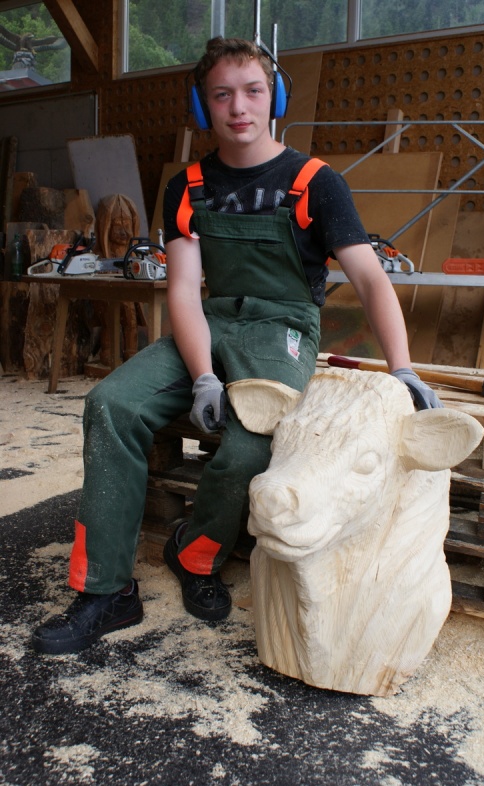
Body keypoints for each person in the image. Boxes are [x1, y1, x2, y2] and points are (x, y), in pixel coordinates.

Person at [32, 37, 441, 656]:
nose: (239, 107)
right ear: (204, 106)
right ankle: (106, 591)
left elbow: (368, 278)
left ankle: (195, 554)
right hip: (212, 319)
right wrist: (203, 376)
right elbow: (184, 291)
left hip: (283, 328)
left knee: (254, 441)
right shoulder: (188, 186)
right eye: (222, 95)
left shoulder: (315, 182)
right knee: (111, 406)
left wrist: (402, 369)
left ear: (275, 99)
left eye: (253, 91)